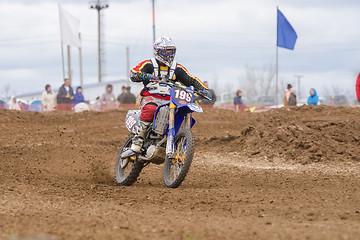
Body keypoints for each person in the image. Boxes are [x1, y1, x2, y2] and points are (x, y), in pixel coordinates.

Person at [121, 36, 210, 158]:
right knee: (151, 109)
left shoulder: (177, 68)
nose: (168, 55)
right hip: (151, 98)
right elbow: (133, 73)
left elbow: (191, 79)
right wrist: (145, 76)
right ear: (157, 52)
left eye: (171, 52)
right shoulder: (149, 64)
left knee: (180, 112)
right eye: (165, 52)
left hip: (170, 100)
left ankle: (175, 140)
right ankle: (138, 141)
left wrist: (204, 90)